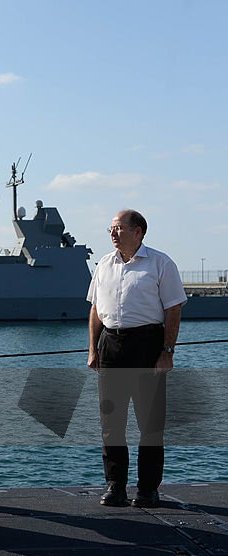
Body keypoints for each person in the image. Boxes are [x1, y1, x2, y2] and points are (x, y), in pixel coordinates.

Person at [87, 210, 186, 509]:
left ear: (138, 232)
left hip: (147, 345)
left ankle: (147, 489)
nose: (113, 233)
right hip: (112, 346)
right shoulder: (104, 264)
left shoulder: (161, 263)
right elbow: (95, 310)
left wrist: (166, 352)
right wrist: (93, 349)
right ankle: (116, 485)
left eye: (119, 228)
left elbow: (173, 310)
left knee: (150, 423)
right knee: (111, 423)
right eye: (111, 229)